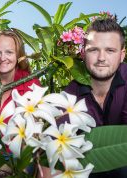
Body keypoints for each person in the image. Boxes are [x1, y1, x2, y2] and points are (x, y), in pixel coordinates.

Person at [64, 18, 127, 177]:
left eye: (110, 50)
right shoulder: (71, 91)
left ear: (122, 54)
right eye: (93, 50)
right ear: (83, 53)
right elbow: (56, 137)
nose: (101, 58)